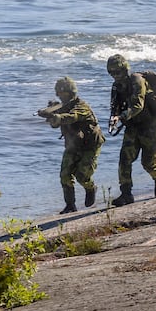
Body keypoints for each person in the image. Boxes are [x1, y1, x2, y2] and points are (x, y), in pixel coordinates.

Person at [106, 54, 156, 206]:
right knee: (124, 159)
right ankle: (126, 194)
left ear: (124, 69)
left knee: (148, 162)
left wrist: (121, 117)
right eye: (111, 73)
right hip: (133, 126)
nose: (115, 76)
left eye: (117, 72)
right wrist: (114, 117)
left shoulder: (137, 81)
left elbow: (138, 105)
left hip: (151, 125)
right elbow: (115, 106)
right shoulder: (116, 86)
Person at [38, 76, 104, 214]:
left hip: (89, 145)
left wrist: (56, 117)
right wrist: (50, 115)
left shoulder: (82, 107)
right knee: (65, 175)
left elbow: (71, 117)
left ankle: (91, 188)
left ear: (70, 92)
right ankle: (70, 205)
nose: (59, 96)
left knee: (82, 176)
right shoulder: (61, 107)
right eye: (58, 93)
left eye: (62, 93)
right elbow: (56, 125)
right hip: (73, 144)